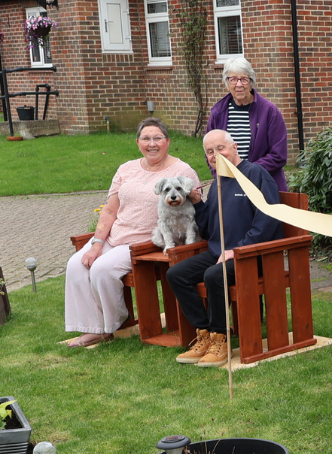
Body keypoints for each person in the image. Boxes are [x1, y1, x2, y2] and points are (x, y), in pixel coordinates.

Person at [64, 117, 201, 347]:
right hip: (115, 235)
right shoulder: (126, 169)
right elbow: (109, 210)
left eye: (157, 138)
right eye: (146, 138)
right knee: (76, 264)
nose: (152, 143)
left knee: (102, 268)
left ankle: (112, 324)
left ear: (168, 141)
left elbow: (195, 207)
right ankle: (92, 327)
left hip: (146, 239)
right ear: (138, 142)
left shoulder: (182, 170)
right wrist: (97, 242)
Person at [166, 130, 282, 368]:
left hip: (252, 254)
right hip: (220, 252)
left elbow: (269, 217)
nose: (214, 155)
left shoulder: (255, 174)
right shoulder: (219, 179)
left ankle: (222, 339)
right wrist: (199, 204)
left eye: (220, 148)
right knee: (176, 274)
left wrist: (237, 249)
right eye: (209, 151)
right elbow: (209, 230)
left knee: (213, 275)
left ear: (235, 147)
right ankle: (205, 334)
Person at [206, 57, 289, 192]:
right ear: (227, 82)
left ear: (251, 82)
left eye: (244, 79)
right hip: (229, 185)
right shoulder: (218, 112)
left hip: (263, 185)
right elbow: (209, 151)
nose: (239, 84)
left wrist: (246, 172)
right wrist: (221, 175)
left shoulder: (269, 111)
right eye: (233, 79)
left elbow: (278, 155)